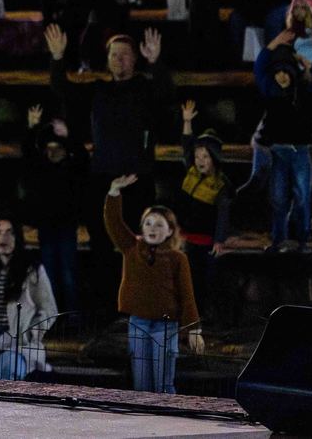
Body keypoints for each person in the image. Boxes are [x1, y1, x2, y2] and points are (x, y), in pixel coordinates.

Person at [45, 25, 174, 311]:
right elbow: (62, 88)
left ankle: (139, 306)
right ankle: (105, 308)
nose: (119, 60)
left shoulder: (145, 86)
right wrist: (57, 57)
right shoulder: (98, 89)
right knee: (101, 246)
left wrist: (156, 61)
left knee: (139, 246)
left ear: (134, 59)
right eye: (115, 55)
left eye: (125, 55)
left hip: (138, 179)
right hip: (102, 179)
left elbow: (166, 93)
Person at [104, 175, 203, 394]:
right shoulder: (132, 249)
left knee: (163, 384)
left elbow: (187, 296)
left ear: (169, 230)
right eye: (148, 223)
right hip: (138, 323)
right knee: (142, 385)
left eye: (159, 224)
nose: (152, 228)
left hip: (165, 326)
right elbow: (114, 224)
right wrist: (113, 192)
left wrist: (194, 329)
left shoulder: (177, 258)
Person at [0, 216, 58, 380]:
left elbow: (49, 310)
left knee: (7, 365)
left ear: (18, 238)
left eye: (10, 233)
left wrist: (30, 334)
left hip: (19, 342)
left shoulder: (33, 270)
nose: (4, 238)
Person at [21, 105, 87, 312]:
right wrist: (32, 127)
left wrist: (69, 137)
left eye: (57, 148)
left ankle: (73, 318)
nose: (53, 153)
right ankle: (53, 317)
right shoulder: (39, 167)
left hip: (66, 227)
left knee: (68, 273)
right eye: (49, 149)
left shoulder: (72, 167)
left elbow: (83, 159)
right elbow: (28, 154)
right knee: (49, 274)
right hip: (46, 228)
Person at [254, 36, 312, 253]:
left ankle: (303, 239)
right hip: (278, 151)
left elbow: (310, 87)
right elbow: (260, 67)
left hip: (299, 150)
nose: (281, 76)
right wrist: (272, 46)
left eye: (285, 71)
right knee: (278, 197)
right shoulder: (270, 91)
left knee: (302, 196)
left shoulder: (303, 89)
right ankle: (278, 238)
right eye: (278, 72)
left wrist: (306, 69)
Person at [178, 100, 233, 318]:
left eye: (205, 157)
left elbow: (223, 214)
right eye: (198, 156)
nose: (200, 161)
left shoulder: (220, 185)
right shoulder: (190, 172)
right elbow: (186, 143)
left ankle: (208, 316)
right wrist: (187, 122)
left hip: (205, 241)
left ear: (214, 159)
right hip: (185, 237)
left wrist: (219, 240)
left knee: (205, 281)